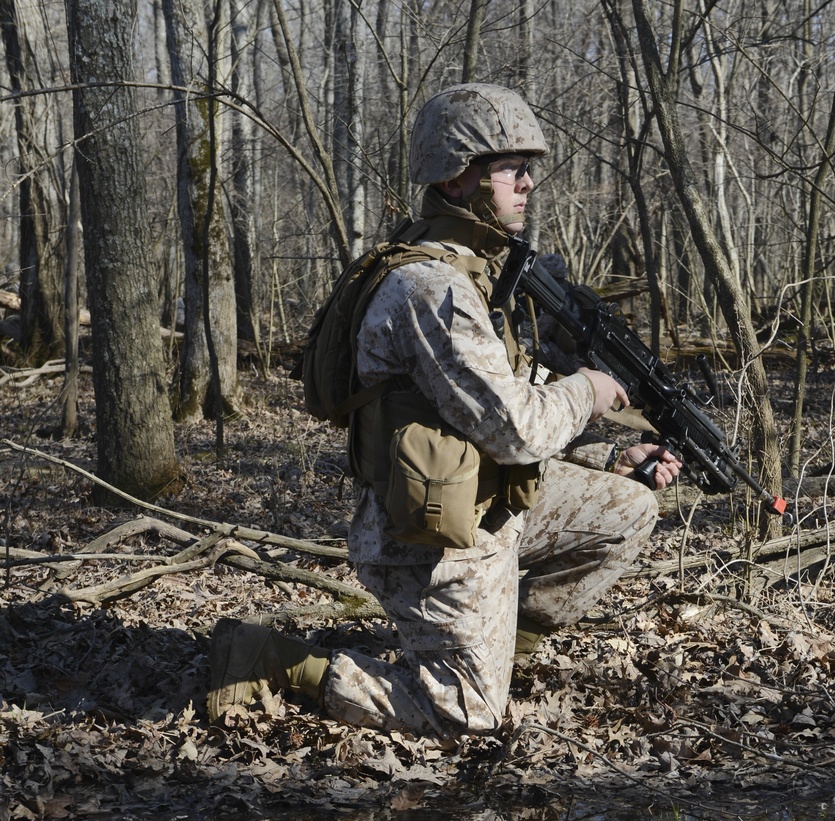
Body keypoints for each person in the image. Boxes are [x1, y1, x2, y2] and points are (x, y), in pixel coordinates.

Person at [208, 83, 681, 737]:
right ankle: (270, 658)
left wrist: (608, 453)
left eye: (529, 169)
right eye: (512, 168)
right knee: (467, 718)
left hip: (485, 501)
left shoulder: (468, 272)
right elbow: (516, 429)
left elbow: (493, 401)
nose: (528, 184)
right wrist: (590, 391)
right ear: (459, 182)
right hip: (430, 538)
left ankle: (500, 649)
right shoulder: (432, 291)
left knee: (627, 509)